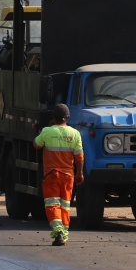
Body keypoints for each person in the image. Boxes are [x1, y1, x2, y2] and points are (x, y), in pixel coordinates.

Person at [33, 104, 85, 246]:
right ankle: (65, 233)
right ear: (68, 117)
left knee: (52, 204)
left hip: (51, 175)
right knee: (65, 206)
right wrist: (79, 173)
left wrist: (48, 129)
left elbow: (36, 144)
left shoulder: (47, 131)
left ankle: (58, 231)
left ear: (52, 117)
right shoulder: (75, 133)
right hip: (68, 176)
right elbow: (79, 157)